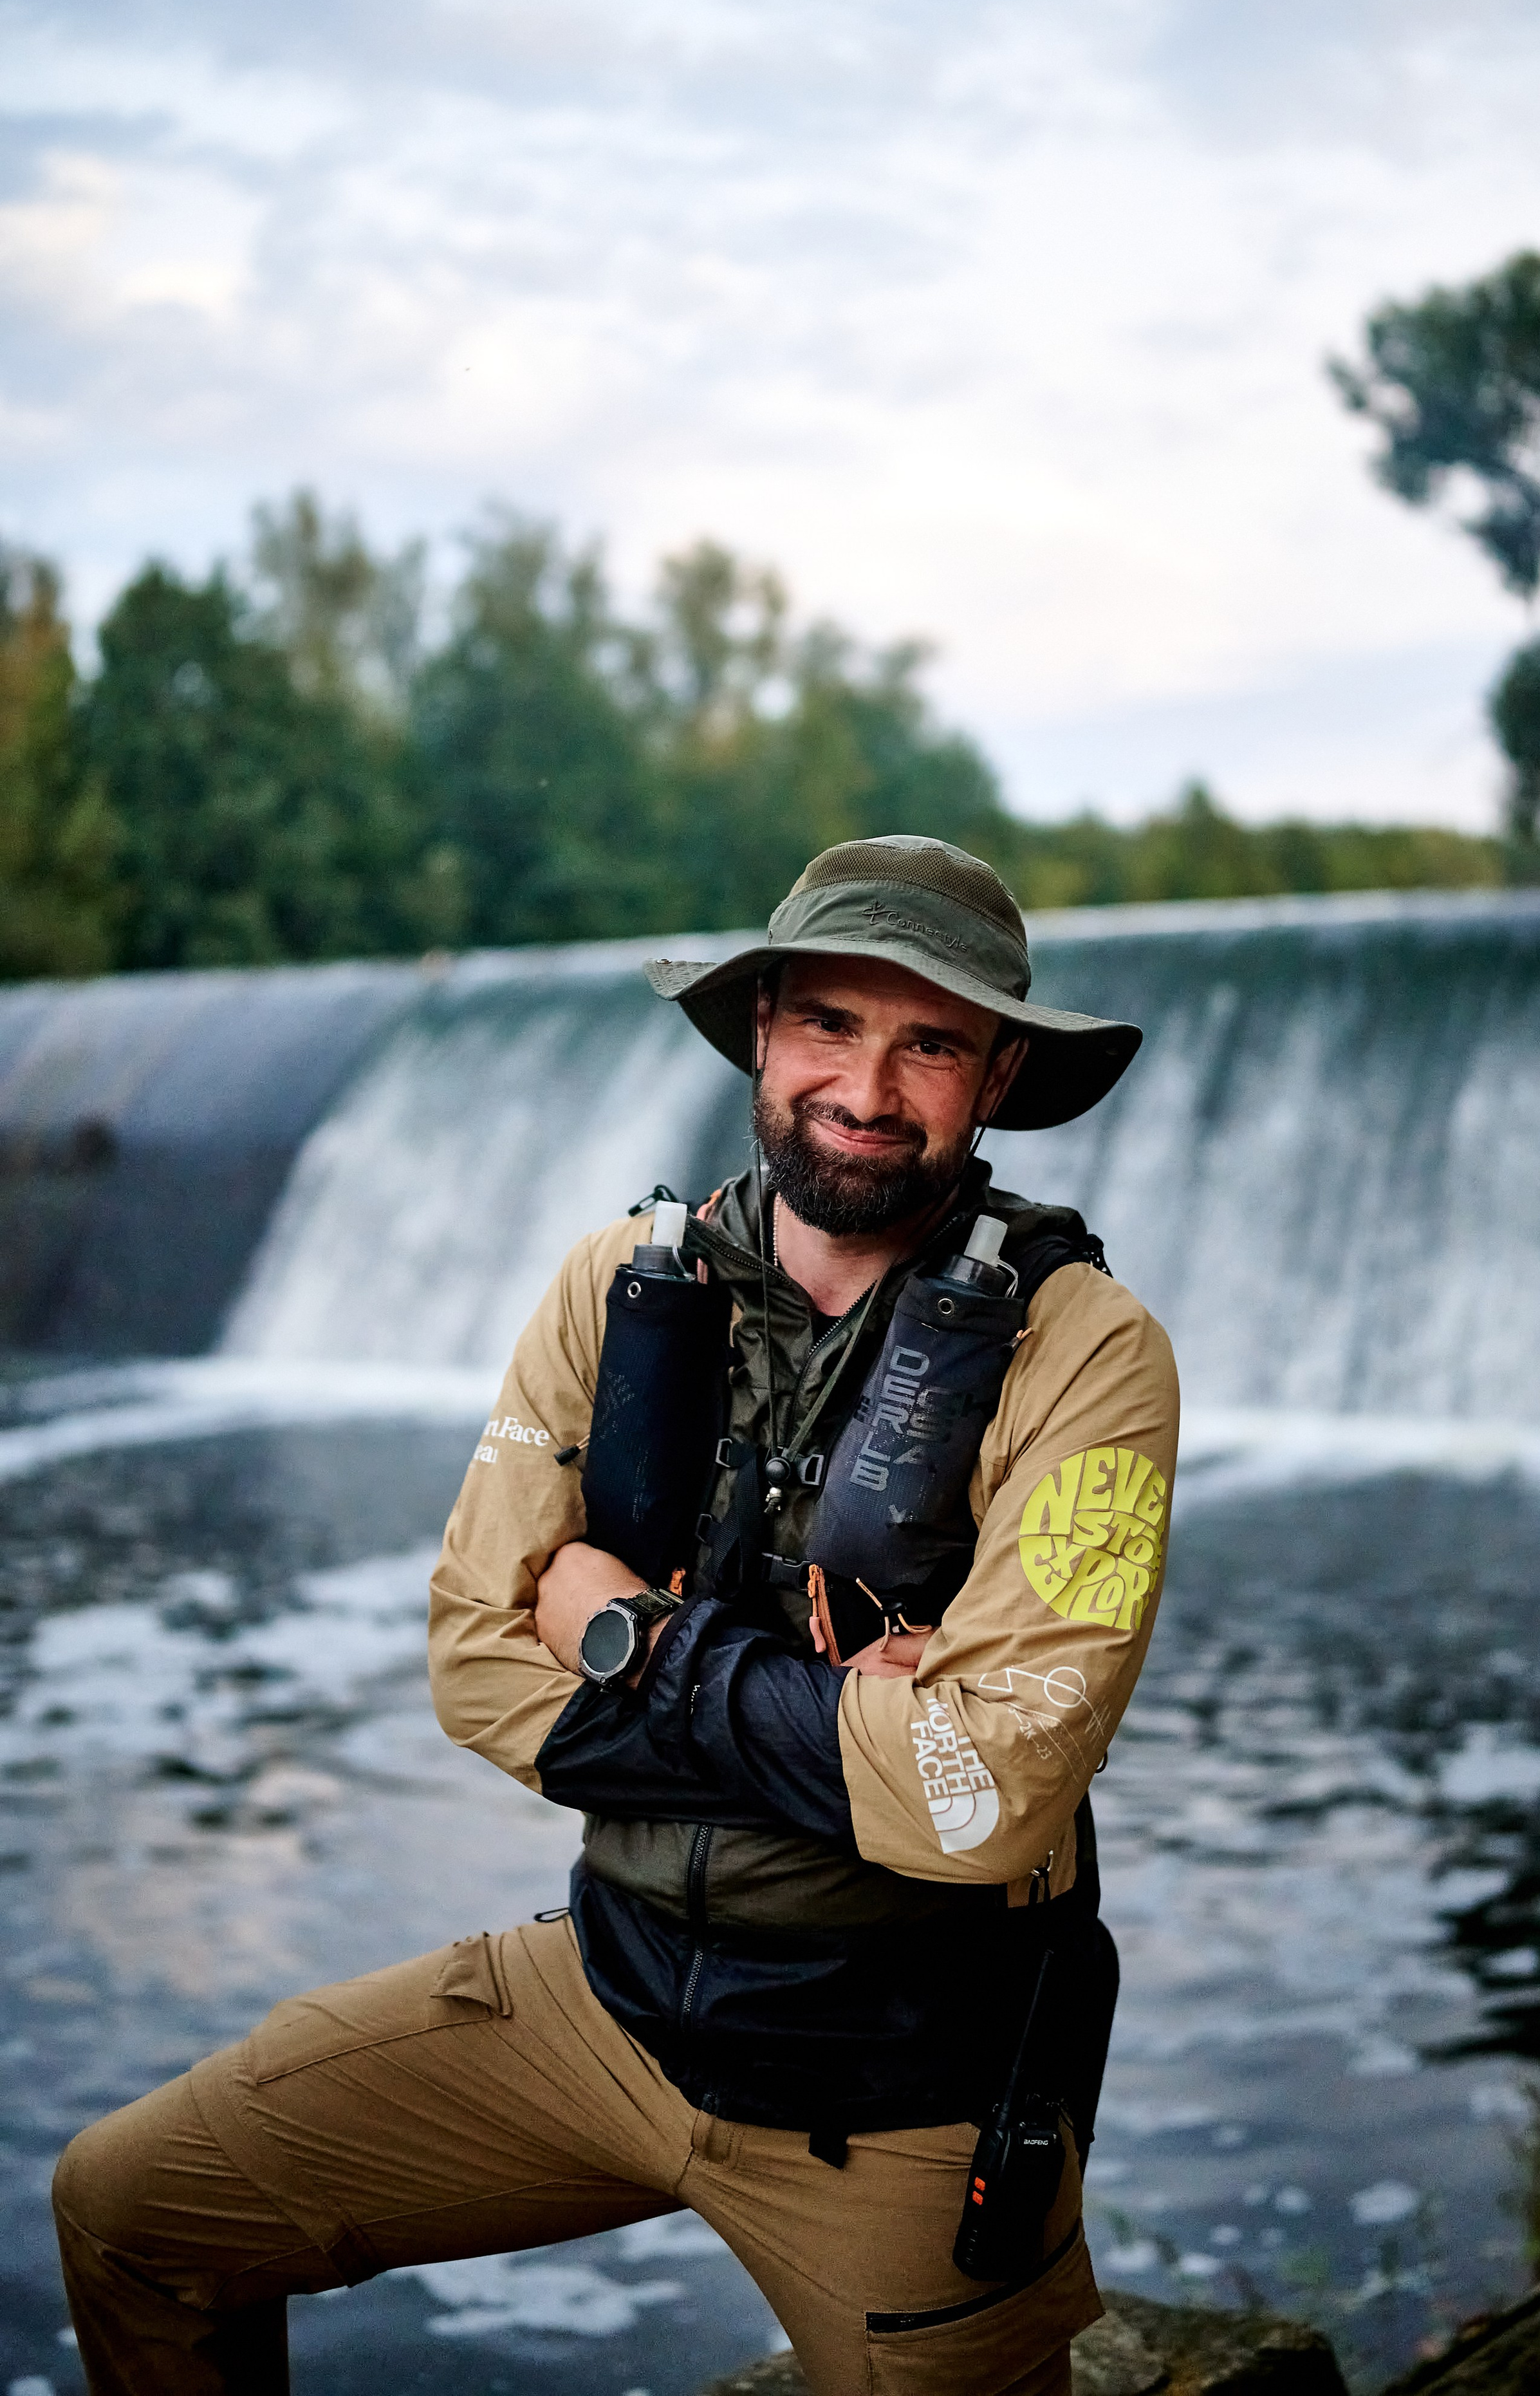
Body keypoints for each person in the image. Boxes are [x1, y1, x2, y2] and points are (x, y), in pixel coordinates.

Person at [52, 834, 1179, 2396]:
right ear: (760, 1029)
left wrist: (627, 1634)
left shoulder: (1087, 1353)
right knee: (132, 2212)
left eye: (928, 1043)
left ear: (994, 1077)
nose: (866, 1086)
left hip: (902, 2091)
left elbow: (981, 1799)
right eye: (829, 1024)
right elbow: (474, 1669)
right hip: (606, 1997)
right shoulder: (616, 1282)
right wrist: (855, 1729)